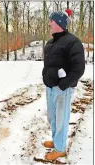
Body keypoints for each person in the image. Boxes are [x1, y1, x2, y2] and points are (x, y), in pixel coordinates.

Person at [42, 9, 85, 161]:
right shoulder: (50, 42)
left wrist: (63, 85)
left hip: (63, 89)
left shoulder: (73, 41)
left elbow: (79, 69)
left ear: (59, 23)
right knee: (52, 118)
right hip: (50, 88)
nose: (49, 24)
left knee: (61, 118)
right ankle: (56, 141)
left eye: (51, 21)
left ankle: (60, 149)